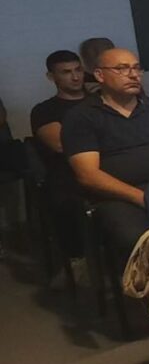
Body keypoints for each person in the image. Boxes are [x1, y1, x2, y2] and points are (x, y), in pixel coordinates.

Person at [61, 48, 149, 257]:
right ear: (99, 75)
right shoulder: (81, 117)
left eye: (137, 68)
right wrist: (143, 198)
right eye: (122, 69)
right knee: (141, 239)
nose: (133, 75)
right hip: (122, 196)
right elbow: (88, 175)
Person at [30, 50, 88, 257]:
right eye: (66, 72)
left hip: (113, 164)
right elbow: (61, 145)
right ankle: (77, 259)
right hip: (68, 175)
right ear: (51, 76)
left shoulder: (101, 100)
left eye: (78, 70)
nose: (75, 76)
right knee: (65, 201)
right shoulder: (45, 110)